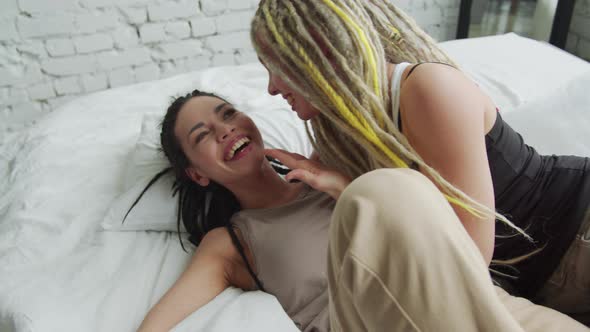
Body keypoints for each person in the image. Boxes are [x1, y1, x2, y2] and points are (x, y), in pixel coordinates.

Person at [251, 0, 590, 326]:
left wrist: (347, 189)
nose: (271, 88)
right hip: (537, 280)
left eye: (275, 67)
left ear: (321, 51)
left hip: (575, 233)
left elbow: (469, 256)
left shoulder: (428, 89)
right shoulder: (338, 131)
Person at [135, 90, 586, 331]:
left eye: (227, 113)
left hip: (478, 299)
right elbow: (155, 326)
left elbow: (434, 222)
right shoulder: (230, 243)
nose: (226, 129)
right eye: (203, 135)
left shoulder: (333, 163)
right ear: (197, 175)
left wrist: (343, 185)